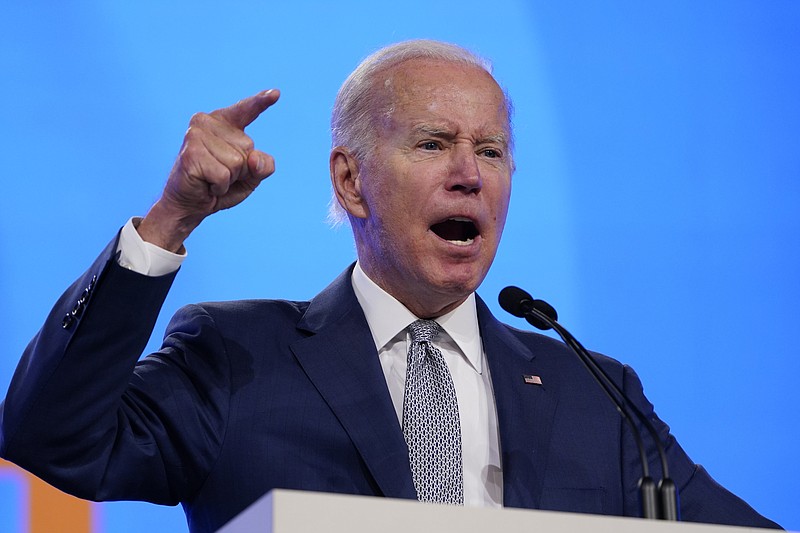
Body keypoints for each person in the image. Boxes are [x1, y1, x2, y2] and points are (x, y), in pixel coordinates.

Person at [0, 40, 780, 532]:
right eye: (434, 143)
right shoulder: (235, 359)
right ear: (351, 181)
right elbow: (52, 439)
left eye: (492, 151)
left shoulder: (598, 397)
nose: (470, 175)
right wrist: (172, 216)